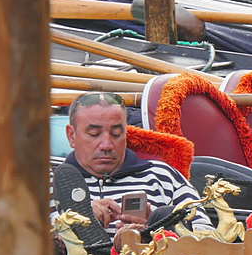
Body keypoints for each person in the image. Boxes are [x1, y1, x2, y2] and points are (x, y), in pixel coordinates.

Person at [60, 92, 208, 229]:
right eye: (94, 134)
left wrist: (156, 225)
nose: (106, 145)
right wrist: (78, 219)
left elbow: (207, 237)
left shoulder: (163, 176)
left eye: (116, 134)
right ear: (71, 136)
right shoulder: (47, 187)